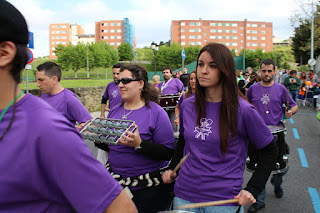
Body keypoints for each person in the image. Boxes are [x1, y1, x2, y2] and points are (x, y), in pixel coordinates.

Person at [0, 1, 137, 212]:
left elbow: (122, 207)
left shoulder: (48, 128)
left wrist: (73, 132)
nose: (37, 85)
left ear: (4, 53)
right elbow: (103, 101)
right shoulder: (41, 105)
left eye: (41, 80)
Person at [162, 43, 278, 213]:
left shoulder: (243, 110)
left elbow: (270, 150)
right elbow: (185, 142)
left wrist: (253, 188)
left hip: (223, 200)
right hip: (184, 193)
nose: (203, 70)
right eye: (200, 64)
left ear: (225, 70)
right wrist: (172, 168)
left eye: (212, 66)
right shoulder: (187, 106)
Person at [95, 65, 175, 213]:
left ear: (140, 84)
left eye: (125, 80)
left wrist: (139, 144)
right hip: (116, 186)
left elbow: (167, 152)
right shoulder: (114, 111)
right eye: (119, 81)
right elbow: (115, 147)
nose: (120, 85)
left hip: (147, 189)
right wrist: (98, 141)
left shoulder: (156, 113)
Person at [247, 59, 298, 213]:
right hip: (257, 133)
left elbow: (294, 105)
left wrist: (291, 112)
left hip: (277, 133)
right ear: (260, 71)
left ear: (274, 71)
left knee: (280, 168)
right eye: (264, 71)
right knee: (258, 167)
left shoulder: (282, 89)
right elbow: (245, 106)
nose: (267, 74)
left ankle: (277, 183)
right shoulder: (252, 89)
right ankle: (259, 201)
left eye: (270, 71)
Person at [36, 62, 92, 129]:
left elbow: (89, 123)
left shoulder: (68, 98)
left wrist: (75, 130)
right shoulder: (43, 96)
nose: (37, 84)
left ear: (54, 79)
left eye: (41, 80)